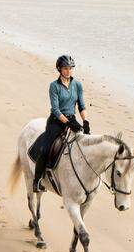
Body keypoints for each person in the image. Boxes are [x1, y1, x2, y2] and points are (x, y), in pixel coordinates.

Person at [32, 55, 91, 192]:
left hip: (72, 119)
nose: (68, 71)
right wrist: (68, 123)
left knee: (86, 143)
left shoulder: (77, 85)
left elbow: (81, 106)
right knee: (45, 150)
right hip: (56, 121)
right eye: (65, 68)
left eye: (70, 68)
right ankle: (37, 181)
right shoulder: (54, 86)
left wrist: (85, 121)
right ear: (59, 69)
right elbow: (56, 110)